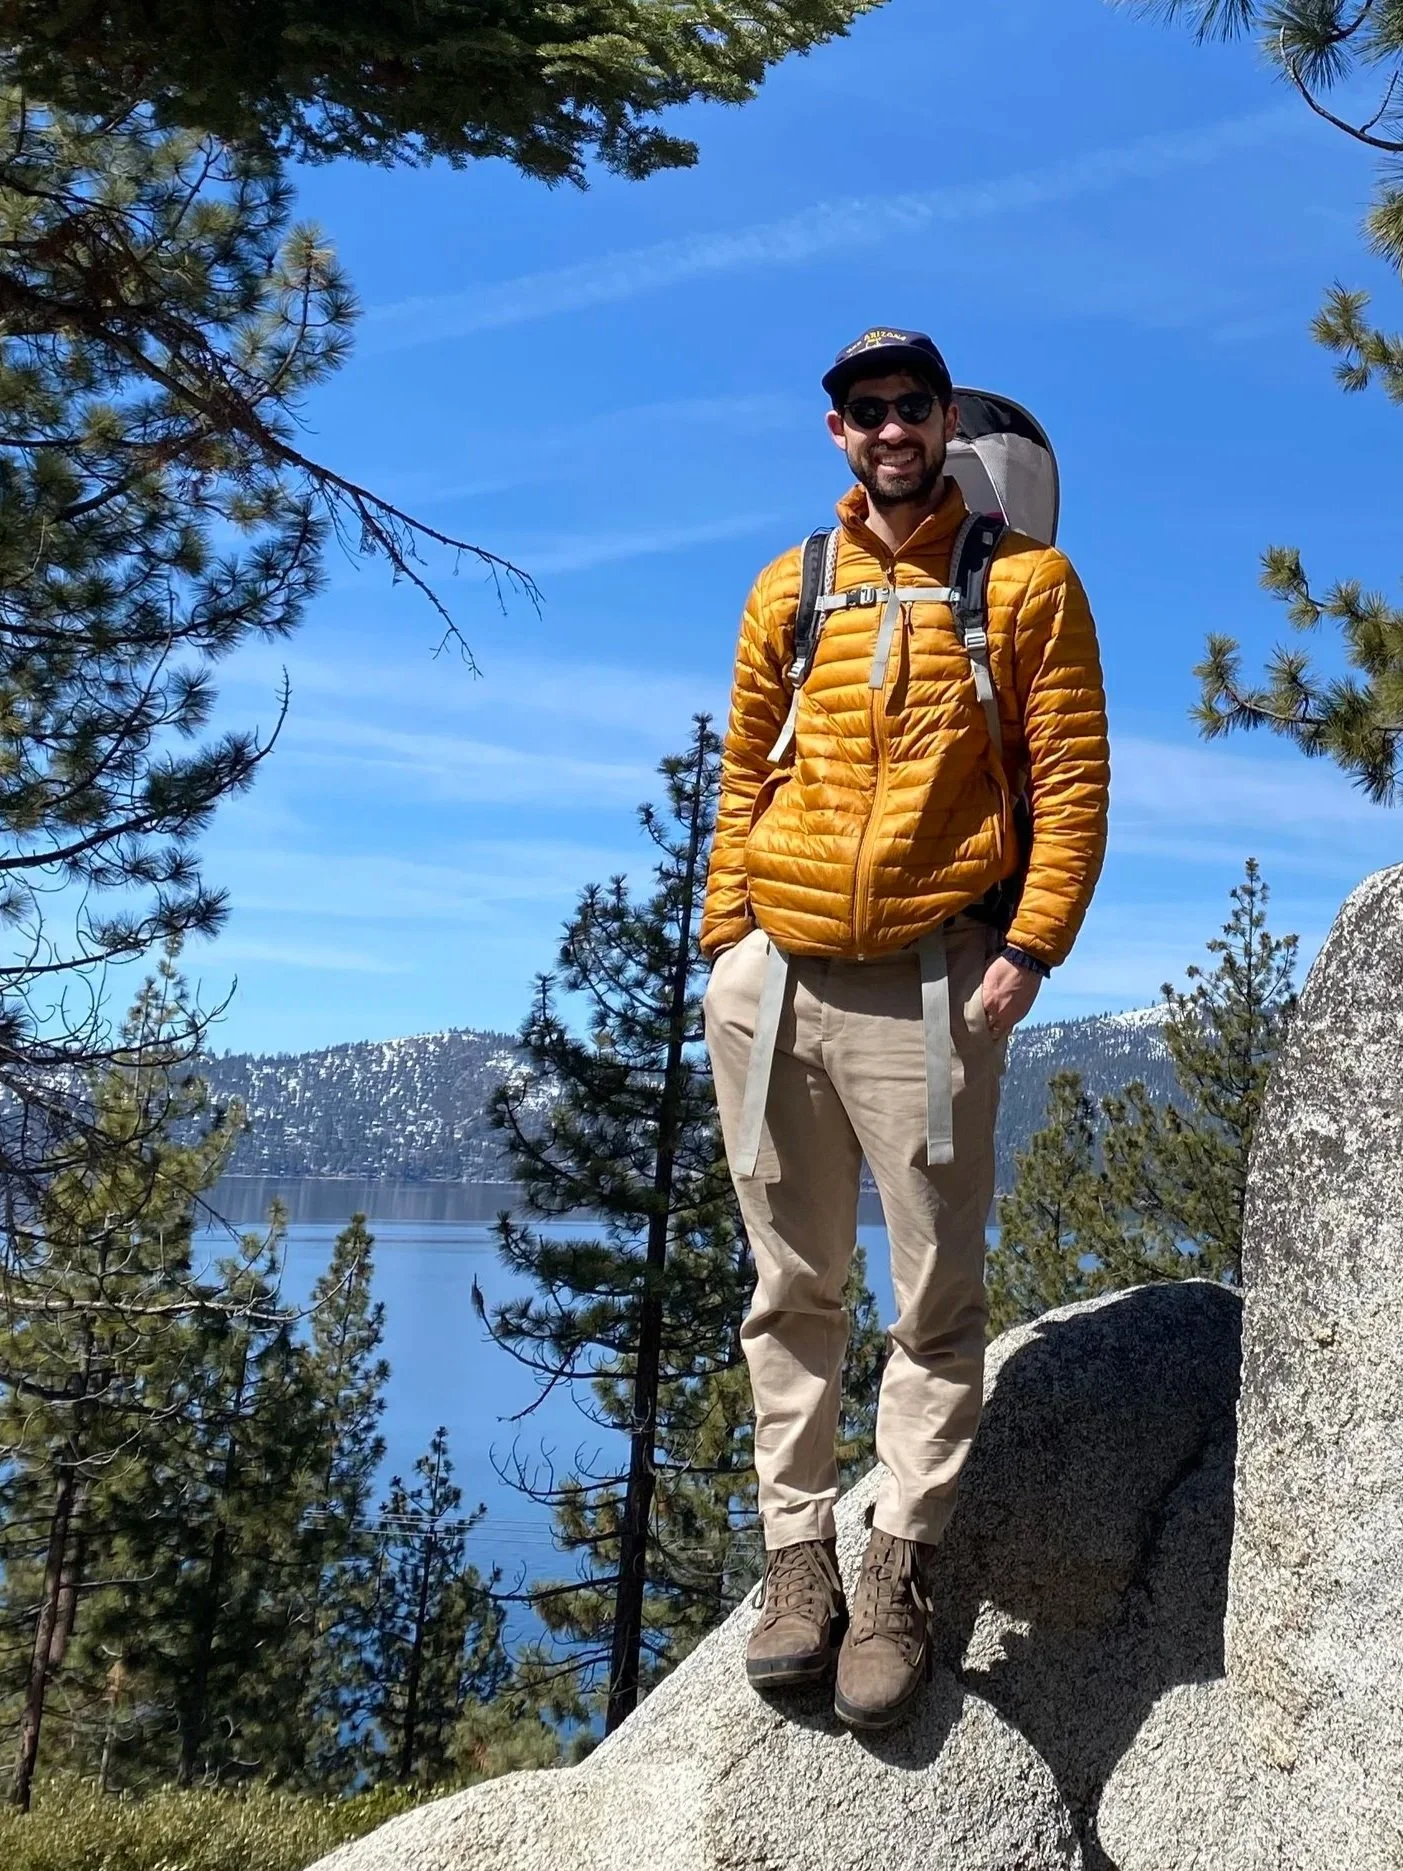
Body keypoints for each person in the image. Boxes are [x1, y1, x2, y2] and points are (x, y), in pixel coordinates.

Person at [701, 327, 1109, 1731]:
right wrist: (723, 952)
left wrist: (1031, 947)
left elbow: (1068, 777)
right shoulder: (790, 586)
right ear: (837, 431)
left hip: (931, 982)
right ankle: (797, 1561)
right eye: (864, 409)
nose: (889, 428)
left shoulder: (1027, 588)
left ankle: (898, 1570)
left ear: (946, 420)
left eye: (911, 405)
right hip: (776, 982)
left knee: (930, 1301)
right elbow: (741, 770)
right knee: (786, 1287)